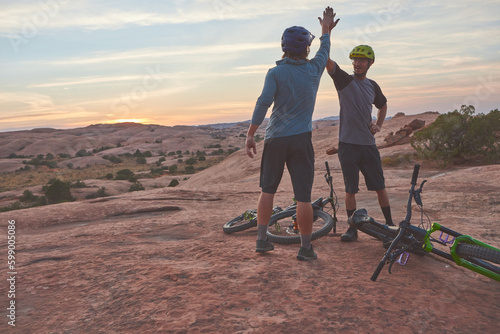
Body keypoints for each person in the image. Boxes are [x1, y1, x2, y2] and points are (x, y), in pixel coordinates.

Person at [245, 7, 339, 260]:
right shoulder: (314, 69)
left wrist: (251, 134)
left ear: (283, 47)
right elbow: (325, 51)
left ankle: (262, 241)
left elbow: (263, 102)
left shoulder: (275, 73)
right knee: (304, 197)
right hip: (301, 139)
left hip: (275, 138)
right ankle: (306, 248)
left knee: (268, 190)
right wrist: (325, 30)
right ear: (306, 49)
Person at [326, 44, 394, 242]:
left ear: (370, 63)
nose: (357, 63)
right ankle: (352, 229)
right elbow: (327, 61)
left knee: (380, 186)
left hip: (367, 145)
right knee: (350, 189)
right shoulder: (344, 81)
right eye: (355, 60)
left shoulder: (373, 86)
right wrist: (326, 31)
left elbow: (383, 105)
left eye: (362, 60)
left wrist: (379, 125)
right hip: (347, 145)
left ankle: (390, 226)